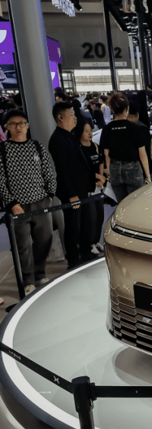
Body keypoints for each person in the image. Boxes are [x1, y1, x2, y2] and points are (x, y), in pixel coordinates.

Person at [0, 110, 58, 295]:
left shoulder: (37, 146)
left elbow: (49, 172)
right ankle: (28, 280)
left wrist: (50, 195)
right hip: (17, 207)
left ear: (27, 126)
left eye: (22, 123)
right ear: (7, 127)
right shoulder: (3, 150)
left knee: (45, 239)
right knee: (23, 245)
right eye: (13, 124)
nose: (18, 127)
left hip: (41, 202)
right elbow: (0, 181)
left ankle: (40, 273)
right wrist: (12, 203)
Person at [48, 103, 97, 268]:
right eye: (71, 115)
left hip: (81, 188)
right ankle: (74, 258)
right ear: (60, 118)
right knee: (73, 226)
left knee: (84, 222)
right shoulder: (58, 139)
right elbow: (62, 169)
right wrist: (71, 194)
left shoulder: (69, 136)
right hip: (72, 191)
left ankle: (85, 251)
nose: (75, 118)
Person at [100, 93, 151, 202]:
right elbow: (142, 154)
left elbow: (106, 154)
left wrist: (109, 171)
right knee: (135, 203)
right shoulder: (135, 128)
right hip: (132, 169)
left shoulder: (107, 129)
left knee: (121, 203)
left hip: (115, 169)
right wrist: (147, 175)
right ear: (126, 108)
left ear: (112, 109)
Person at [74, 120, 106, 254]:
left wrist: (101, 177)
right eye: (86, 131)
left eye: (90, 131)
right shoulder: (78, 149)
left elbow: (101, 162)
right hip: (88, 187)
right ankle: (89, 243)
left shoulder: (95, 146)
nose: (89, 133)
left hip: (99, 186)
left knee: (100, 215)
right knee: (91, 216)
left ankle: (96, 240)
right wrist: (97, 177)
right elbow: (83, 170)